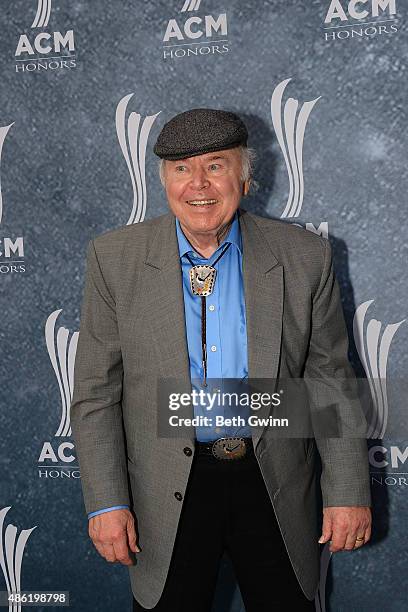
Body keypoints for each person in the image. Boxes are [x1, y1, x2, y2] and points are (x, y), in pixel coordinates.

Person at [70, 108, 372, 611]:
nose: (198, 185)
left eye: (216, 165)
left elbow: (330, 383)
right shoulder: (113, 258)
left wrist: (345, 490)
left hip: (274, 483)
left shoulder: (304, 256)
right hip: (163, 490)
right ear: (163, 180)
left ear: (246, 176)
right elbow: (96, 393)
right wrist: (106, 500)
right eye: (181, 168)